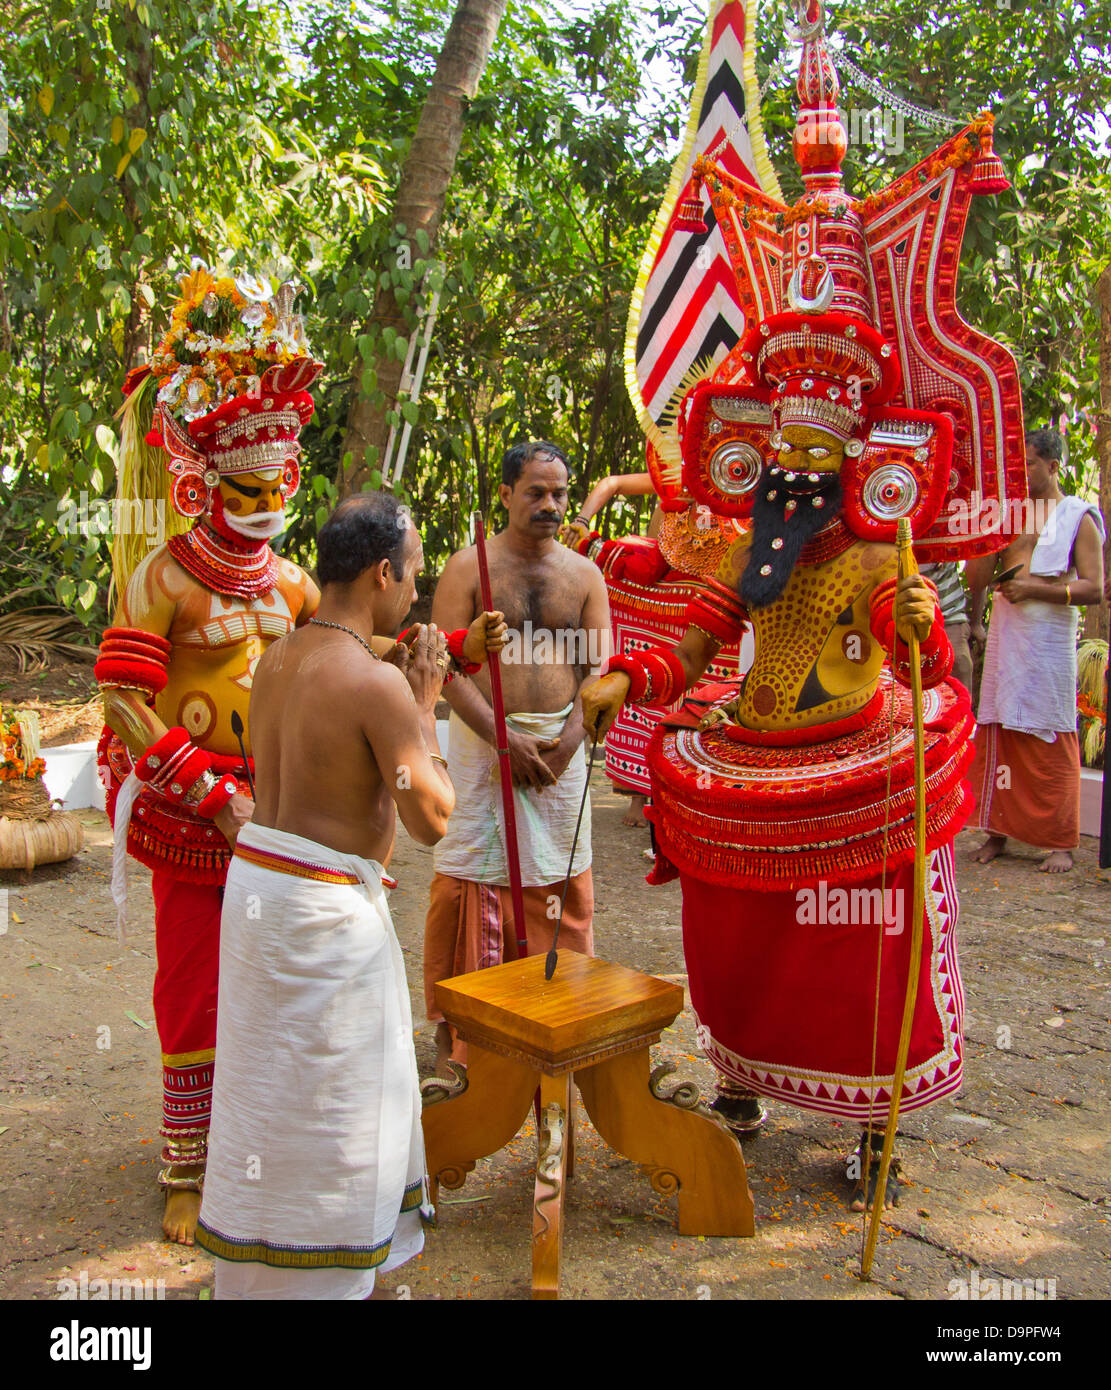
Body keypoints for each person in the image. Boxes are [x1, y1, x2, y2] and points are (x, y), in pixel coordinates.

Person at [582, 4, 1027, 1211]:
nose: (793, 459)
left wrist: (923, 640)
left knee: (859, 954)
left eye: (817, 441)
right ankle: (742, 1076)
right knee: (738, 932)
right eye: (780, 435)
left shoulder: (873, 552)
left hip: (849, 757)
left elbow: (917, 652)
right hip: (752, 750)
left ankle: (873, 1118)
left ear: (857, 449)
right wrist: (631, 682)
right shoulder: (755, 548)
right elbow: (701, 631)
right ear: (756, 440)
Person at [195, 493, 505, 1298]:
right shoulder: (377, 685)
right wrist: (426, 697)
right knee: (334, 1101)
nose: (413, 591)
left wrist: (400, 688)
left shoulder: (281, 655)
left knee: (272, 1086)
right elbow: (431, 815)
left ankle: (260, 1270)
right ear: (380, 573)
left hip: (262, 895)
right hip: (324, 913)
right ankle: (325, 1272)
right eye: (410, 573)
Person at [96, 268, 322, 1244]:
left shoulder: (299, 586)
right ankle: (187, 1165)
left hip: (278, 812)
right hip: (192, 812)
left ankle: (266, 1139)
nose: (265, 501)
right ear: (201, 481)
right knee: (194, 981)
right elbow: (120, 698)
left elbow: (333, 667)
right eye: (244, 486)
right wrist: (202, 787)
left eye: (277, 484)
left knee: (280, 974)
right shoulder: (162, 578)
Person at [423, 440, 611, 1068]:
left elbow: (600, 669)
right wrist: (502, 736)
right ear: (505, 495)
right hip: (484, 750)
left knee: (559, 880)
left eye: (559, 493)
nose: (551, 505)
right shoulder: (466, 568)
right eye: (536, 492)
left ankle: (557, 1022)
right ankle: (467, 1037)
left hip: (561, 750)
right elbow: (446, 665)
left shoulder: (585, 575)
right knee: (469, 882)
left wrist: (568, 744)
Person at [561, 472, 749, 830]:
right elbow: (611, 483)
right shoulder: (678, 470)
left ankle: (694, 797)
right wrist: (583, 521)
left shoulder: (745, 477)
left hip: (720, 593)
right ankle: (638, 794)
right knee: (645, 687)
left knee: (711, 703)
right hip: (659, 583)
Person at [968, 428, 1105, 873]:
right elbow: (982, 576)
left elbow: (1094, 588)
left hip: (1049, 641)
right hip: (1007, 633)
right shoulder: (1006, 512)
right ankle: (996, 832)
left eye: (1027, 463)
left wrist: (1035, 590)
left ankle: (1060, 840)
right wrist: (975, 612)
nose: (1021, 472)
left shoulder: (1078, 516)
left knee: (1050, 731)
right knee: (999, 727)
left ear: (1052, 465)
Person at [920, 561, 973, 691]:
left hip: (948, 617)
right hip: (894, 622)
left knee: (956, 693)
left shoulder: (947, 542)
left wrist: (976, 622)